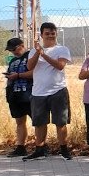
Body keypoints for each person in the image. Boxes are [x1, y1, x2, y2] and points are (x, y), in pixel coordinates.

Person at [23, 22, 73, 161]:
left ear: (56, 33)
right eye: (47, 33)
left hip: (58, 90)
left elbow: (60, 66)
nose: (50, 35)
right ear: (42, 35)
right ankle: (40, 149)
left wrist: (43, 55)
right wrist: (37, 53)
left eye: (52, 33)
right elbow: (29, 67)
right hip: (38, 92)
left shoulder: (62, 49)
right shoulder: (34, 50)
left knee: (60, 122)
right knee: (39, 122)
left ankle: (63, 149)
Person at [3, 38, 33, 157]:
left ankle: (41, 146)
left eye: (14, 49)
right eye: (10, 50)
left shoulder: (31, 56)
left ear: (21, 45)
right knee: (20, 122)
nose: (13, 52)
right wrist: (10, 77)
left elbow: (36, 73)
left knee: (37, 121)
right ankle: (20, 147)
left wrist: (19, 75)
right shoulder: (13, 60)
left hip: (30, 93)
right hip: (15, 95)